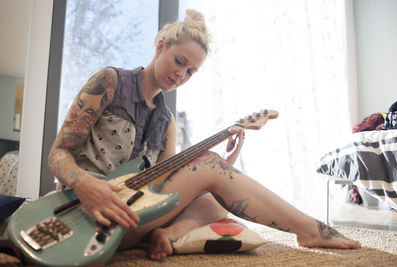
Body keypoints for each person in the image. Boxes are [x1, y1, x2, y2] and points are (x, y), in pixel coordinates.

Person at [48, 9, 360, 262]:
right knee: (209, 170)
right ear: (161, 46)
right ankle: (308, 229)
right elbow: (58, 154)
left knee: (214, 202)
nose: (180, 75)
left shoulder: (166, 120)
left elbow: (161, 185)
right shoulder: (110, 82)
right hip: (85, 212)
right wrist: (86, 184)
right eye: (179, 62)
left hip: (131, 217)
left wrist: (227, 163)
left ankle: (168, 234)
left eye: (190, 72)